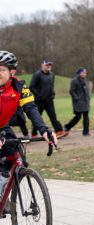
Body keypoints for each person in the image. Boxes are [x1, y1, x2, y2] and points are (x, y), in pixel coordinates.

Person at [0, 51, 57, 185]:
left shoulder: (19, 87)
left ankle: (6, 194)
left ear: (12, 72)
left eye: (2, 69)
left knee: (18, 158)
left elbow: (31, 109)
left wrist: (44, 130)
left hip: (3, 127)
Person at [28, 60, 64, 136]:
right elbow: (31, 86)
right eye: (47, 65)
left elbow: (51, 85)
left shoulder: (52, 74)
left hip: (49, 100)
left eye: (50, 65)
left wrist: (52, 93)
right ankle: (34, 133)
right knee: (37, 118)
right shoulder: (37, 74)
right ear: (42, 65)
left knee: (53, 116)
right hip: (39, 101)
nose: (48, 66)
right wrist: (39, 95)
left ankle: (59, 131)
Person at [64, 67, 91, 135]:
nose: (85, 74)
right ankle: (67, 126)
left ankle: (86, 132)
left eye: (85, 72)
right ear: (79, 73)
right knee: (78, 117)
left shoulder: (85, 80)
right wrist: (77, 98)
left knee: (86, 116)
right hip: (78, 102)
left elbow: (87, 90)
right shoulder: (74, 80)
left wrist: (88, 98)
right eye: (83, 72)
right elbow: (72, 91)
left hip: (85, 101)